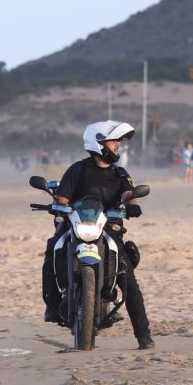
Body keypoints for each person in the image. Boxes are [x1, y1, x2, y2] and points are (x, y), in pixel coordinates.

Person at [41, 121, 153, 348]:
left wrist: (132, 204)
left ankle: (144, 336)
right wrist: (58, 207)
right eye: (114, 142)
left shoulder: (120, 173)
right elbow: (62, 197)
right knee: (53, 248)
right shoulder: (78, 169)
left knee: (128, 278)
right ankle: (52, 306)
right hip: (76, 224)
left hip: (109, 227)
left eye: (118, 142)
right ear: (98, 143)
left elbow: (130, 192)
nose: (118, 146)